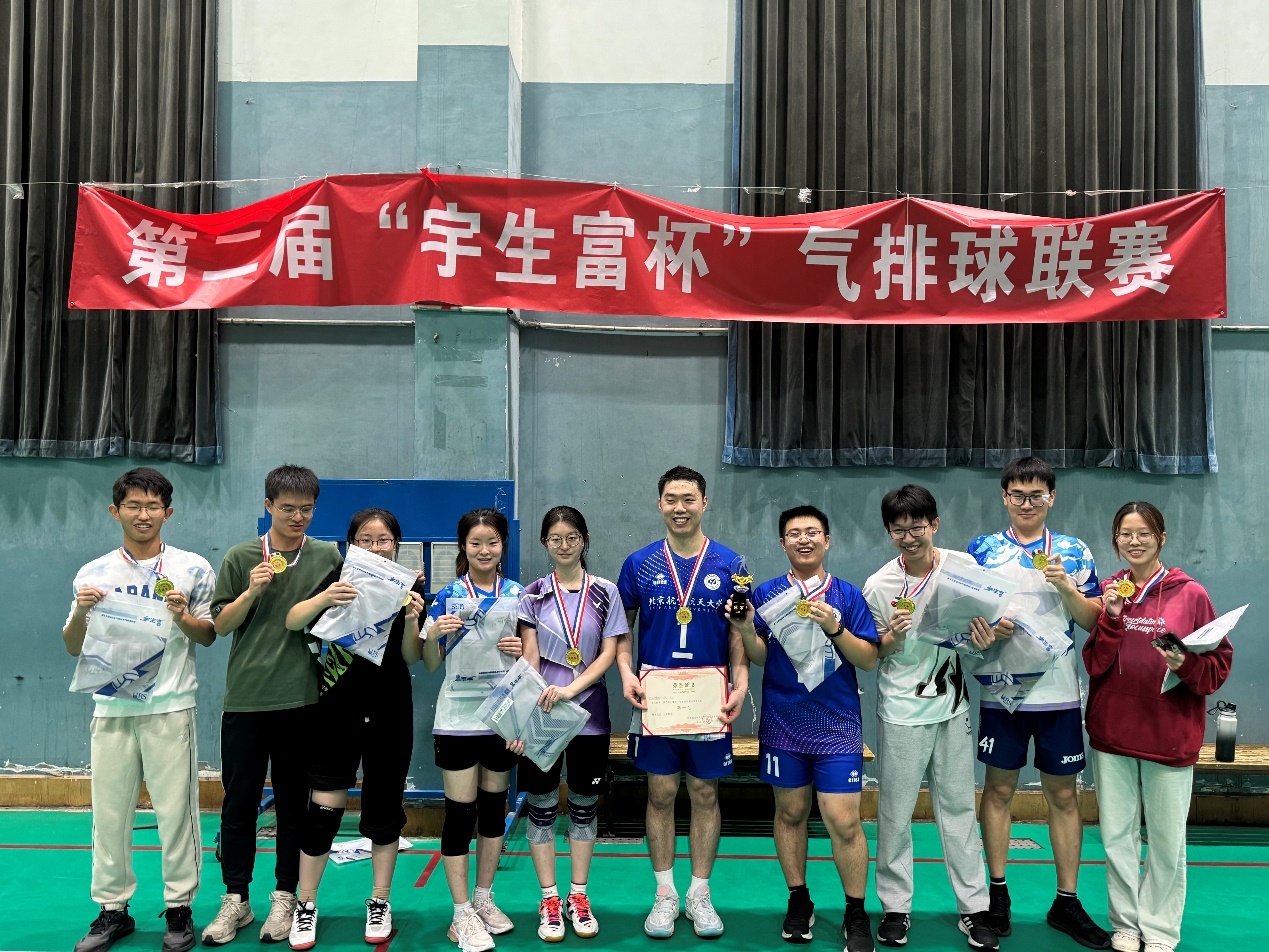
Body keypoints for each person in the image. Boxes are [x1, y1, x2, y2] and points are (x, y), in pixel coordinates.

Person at [64, 468, 217, 952]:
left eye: (153, 506)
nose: (143, 514)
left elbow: (207, 635)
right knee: (109, 816)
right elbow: (73, 646)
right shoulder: (93, 573)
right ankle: (112, 910)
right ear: (116, 512)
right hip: (111, 709)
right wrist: (80, 612)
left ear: (167, 512)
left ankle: (179, 908)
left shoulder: (193, 568)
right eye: (133, 505)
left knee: (177, 814)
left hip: (170, 708)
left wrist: (181, 615)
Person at [967, 456, 1110, 949]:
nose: (1026, 504)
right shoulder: (982, 551)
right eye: (1017, 495)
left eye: (1036, 496)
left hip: (1058, 693)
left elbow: (1093, 621)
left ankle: (1066, 901)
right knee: (998, 791)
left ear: (1052, 497)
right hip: (1002, 689)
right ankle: (997, 895)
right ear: (1004, 497)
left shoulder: (1073, 550)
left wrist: (1066, 586)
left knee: (1064, 797)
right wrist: (985, 630)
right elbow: (966, 616)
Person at [730, 505, 880, 952]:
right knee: (791, 813)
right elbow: (759, 656)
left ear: (826, 541)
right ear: (783, 544)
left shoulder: (848, 595)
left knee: (845, 821)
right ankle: (799, 900)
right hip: (784, 725)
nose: (804, 539)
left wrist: (835, 627)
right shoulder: (767, 593)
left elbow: (868, 660)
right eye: (794, 533)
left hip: (837, 726)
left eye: (812, 532)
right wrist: (745, 628)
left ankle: (856, 913)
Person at [1084, 502, 1232, 952]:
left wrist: (1185, 663)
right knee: (1117, 838)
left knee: (1167, 842)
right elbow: (1095, 664)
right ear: (1115, 540)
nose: (1134, 541)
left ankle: (1161, 930)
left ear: (1161, 538)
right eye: (1125, 534)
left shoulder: (1193, 595)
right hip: (1113, 735)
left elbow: (1217, 668)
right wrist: (1111, 617)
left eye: (1144, 533)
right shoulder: (1110, 591)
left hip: (1170, 737)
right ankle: (1126, 924)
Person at [204, 465, 342, 945]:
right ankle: (235, 899)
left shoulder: (326, 556)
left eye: (306, 510)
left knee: (292, 807)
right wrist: (252, 591)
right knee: (239, 804)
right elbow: (220, 626)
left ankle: (285, 897)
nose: (297, 517)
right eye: (287, 509)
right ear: (268, 506)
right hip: (245, 699)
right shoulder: (241, 556)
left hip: (301, 700)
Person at [281, 508, 427, 949]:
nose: (376, 547)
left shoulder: (410, 587)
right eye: (366, 539)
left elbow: (412, 657)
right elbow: (293, 620)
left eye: (384, 540)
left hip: (390, 711)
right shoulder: (337, 580)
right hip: (336, 712)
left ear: (396, 545)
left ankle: (380, 900)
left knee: (384, 810)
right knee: (323, 810)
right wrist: (327, 598)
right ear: (351, 545)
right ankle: (306, 904)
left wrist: (413, 618)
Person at [615, 465, 750, 940]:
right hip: (657, 699)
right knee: (660, 793)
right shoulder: (639, 564)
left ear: (704, 503)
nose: (680, 508)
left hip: (710, 699)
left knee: (706, 793)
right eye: (671, 499)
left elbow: (738, 633)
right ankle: (665, 893)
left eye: (688, 499)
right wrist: (626, 673)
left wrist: (741, 683)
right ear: (659, 504)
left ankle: (699, 893)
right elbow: (622, 631)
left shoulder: (731, 563)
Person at [862, 486, 997, 950]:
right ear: (889, 532)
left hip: (953, 707)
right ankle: (895, 908)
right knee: (895, 813)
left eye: (917, 527)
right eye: (899, 530)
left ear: (934, 525)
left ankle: (974, 908)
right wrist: (892, 639)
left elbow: (986, 627)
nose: (909, 537)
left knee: (960, 810)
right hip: (902, 710)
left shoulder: (963, 567)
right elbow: (874, 653)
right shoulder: (879, 585)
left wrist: (987, 636)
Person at [514, 506, 627, 942]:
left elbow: (608, 653)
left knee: (583, 804)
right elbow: (529, 656)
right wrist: (532, 706)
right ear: (545, 543)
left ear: (585, 540)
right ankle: (548, 898)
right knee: (541, 805)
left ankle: (579, 895)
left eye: (572, 537)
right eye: (555, 538)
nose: (564, 545)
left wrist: (570, 689)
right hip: (543, 714)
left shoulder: (605, 592)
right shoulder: (532, 594)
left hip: (589, 717)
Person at [420, 508, 524, 952]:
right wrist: (433, 636)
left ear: (503, 545)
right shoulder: (448, 596)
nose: (484, 550)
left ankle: (483, 898)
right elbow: (429, 664)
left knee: (494, 810)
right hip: (458, 721)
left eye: (492, 542)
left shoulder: (517, 595)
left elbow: (530, 662)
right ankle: (460, 913)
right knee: (460, 814)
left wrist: (521, 650)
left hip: (502, 717)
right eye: (476, 543)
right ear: (463, 546)